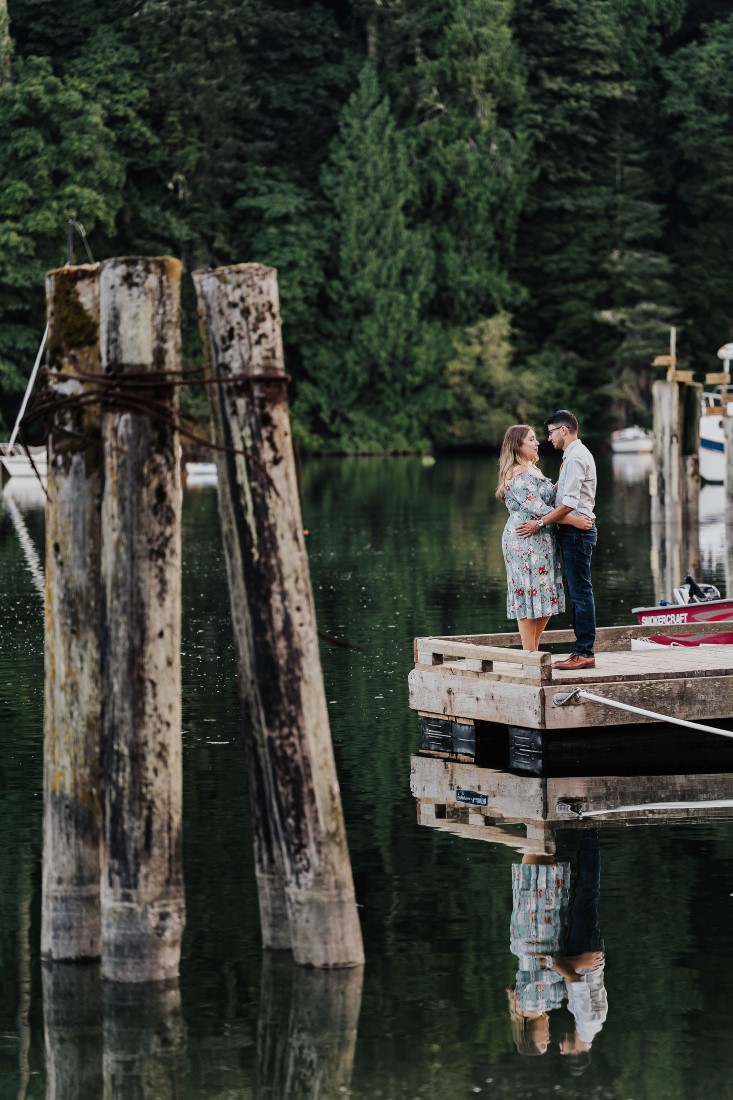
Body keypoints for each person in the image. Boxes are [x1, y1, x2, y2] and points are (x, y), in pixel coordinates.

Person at [496, 424, 591, 653]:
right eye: (531, 439)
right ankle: (530, 655)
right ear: (518, 445)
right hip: (524, 539)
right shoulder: (516, 474)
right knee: (529, 597)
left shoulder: (533, 470)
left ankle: (532, 653)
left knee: (545, 597)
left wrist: (562, 478)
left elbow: (549, 498)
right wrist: (573, 521)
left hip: (543, 537)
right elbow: (538, 507)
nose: (537, 442)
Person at [516, 410, 597, 671]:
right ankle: (582, 651)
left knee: (581, 593)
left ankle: (584, 652)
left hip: (577, 532)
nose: (547, 438)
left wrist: (539, 523)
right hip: (574, 531)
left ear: (564, 430)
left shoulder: (575, 458)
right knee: (579, 592)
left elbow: (568, 504)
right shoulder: (572, 457)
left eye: (550, 432)